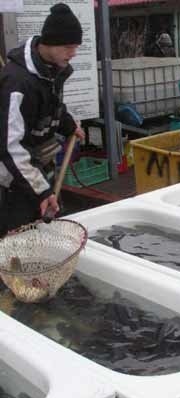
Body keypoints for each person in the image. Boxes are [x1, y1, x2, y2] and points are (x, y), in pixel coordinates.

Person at [0, 2, 85, 237]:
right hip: (12, 180)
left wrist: (68, 124)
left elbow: (53, 105)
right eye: (69, 46)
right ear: (50, 43)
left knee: (41, 230)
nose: (74, 53)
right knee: (17, 239)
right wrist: (41, 191)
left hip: (40, 164)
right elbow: (11, 147)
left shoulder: (53, 69)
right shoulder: (17, 83)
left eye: (76, 46)